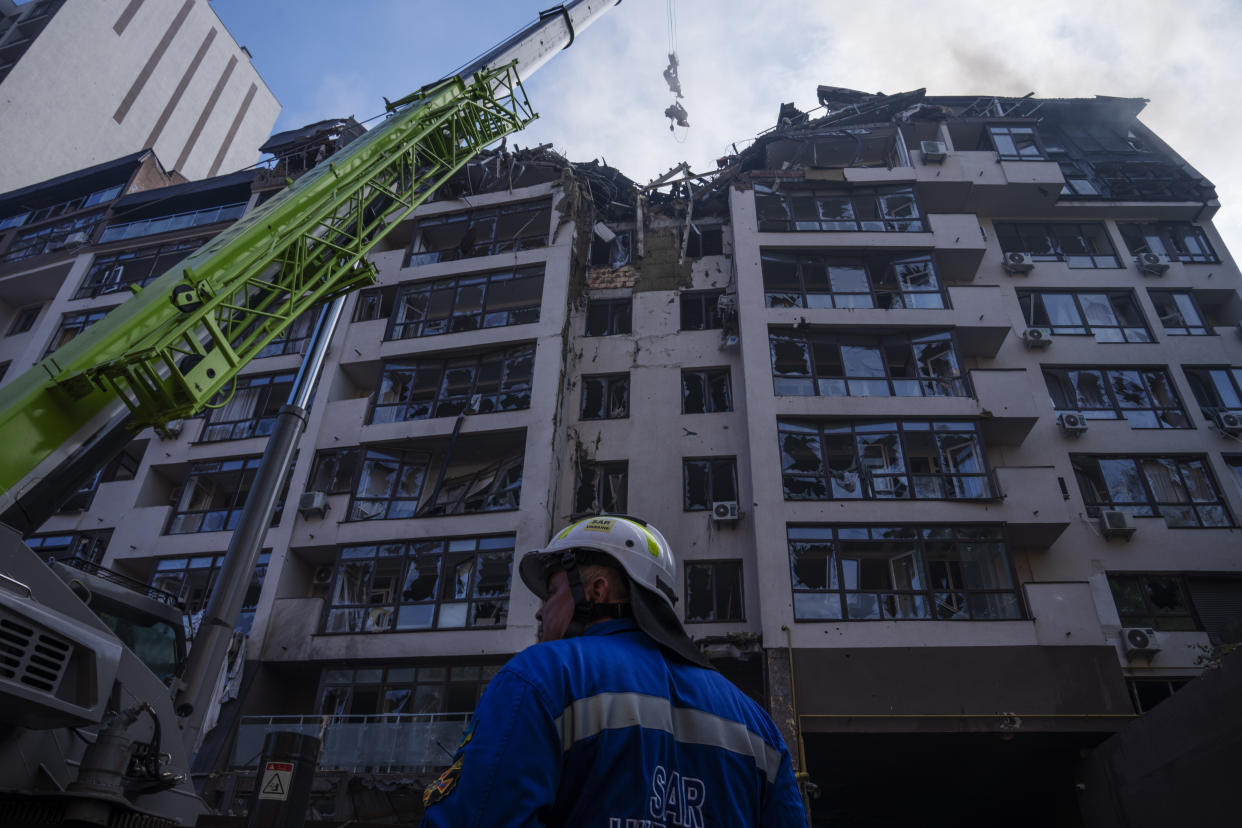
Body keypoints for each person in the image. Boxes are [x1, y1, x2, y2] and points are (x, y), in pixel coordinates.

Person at [420, 514, 807, 827]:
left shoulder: (541, 677)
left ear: (597, 591)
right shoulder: (759, 727)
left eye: (551, 592)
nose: (540, 611)